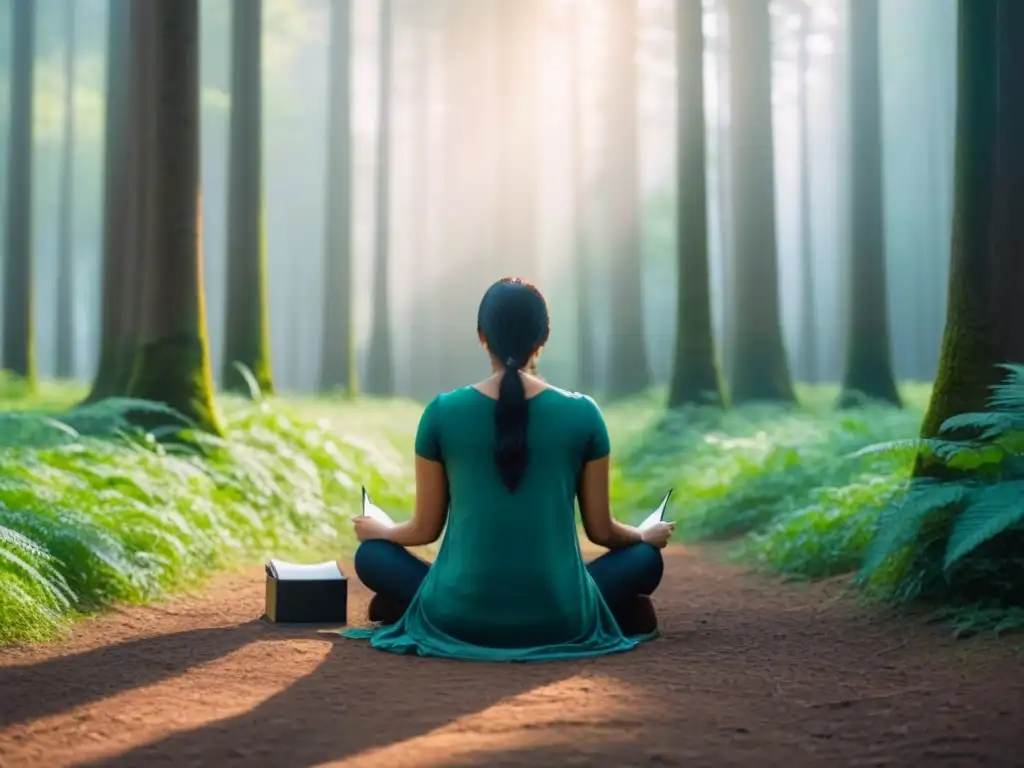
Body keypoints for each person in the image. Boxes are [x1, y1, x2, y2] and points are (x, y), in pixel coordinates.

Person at [342, 277, 674, 661]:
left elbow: (423, 529)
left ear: (482, 336)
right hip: (561, 616)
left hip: (455, 614)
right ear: (543, 338)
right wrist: (644, 535)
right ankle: (615, 608)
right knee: (645, 560)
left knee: (371, 556)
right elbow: (603, 532)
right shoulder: (584, 414)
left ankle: (409, 603)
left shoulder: (441, 412)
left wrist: (381, 530)